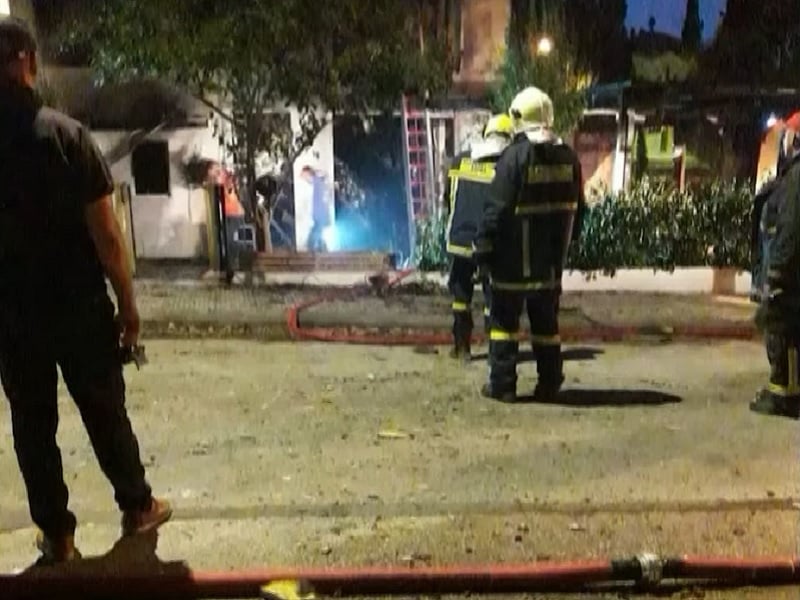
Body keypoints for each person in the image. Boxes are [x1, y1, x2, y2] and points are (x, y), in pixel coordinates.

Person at [0, 17, 171, 565]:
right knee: (103, 410)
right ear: (27, 61)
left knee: (32, 425)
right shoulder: (65, 136)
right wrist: (129, 306)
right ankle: (138, 506)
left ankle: (59, 537)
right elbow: (107, 236)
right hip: (78, 305)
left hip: (13, 314)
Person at [473, 86, 585, 403]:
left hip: (511, 264)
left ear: (519, 117)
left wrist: (483, 247)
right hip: (549, 266)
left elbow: (496, 210)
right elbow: (579, 210)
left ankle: (503, 385)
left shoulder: (514, 158)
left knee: (504, 326)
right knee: (546, 326)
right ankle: (549, 383)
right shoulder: (570, 158)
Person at [443, 114, 514, 361]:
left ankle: (461, 347)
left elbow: (448, 198)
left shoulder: (460, 160)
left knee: (460, 296)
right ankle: (494, 349)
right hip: (488, 244)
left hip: (459, 240)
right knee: (492, 296)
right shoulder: (505, 167)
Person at [751, 112, 800, 419]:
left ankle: (784, 394)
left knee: (783, 330)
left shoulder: (796, 179)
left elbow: (791, 228)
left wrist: (777, 271)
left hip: (789, 272)